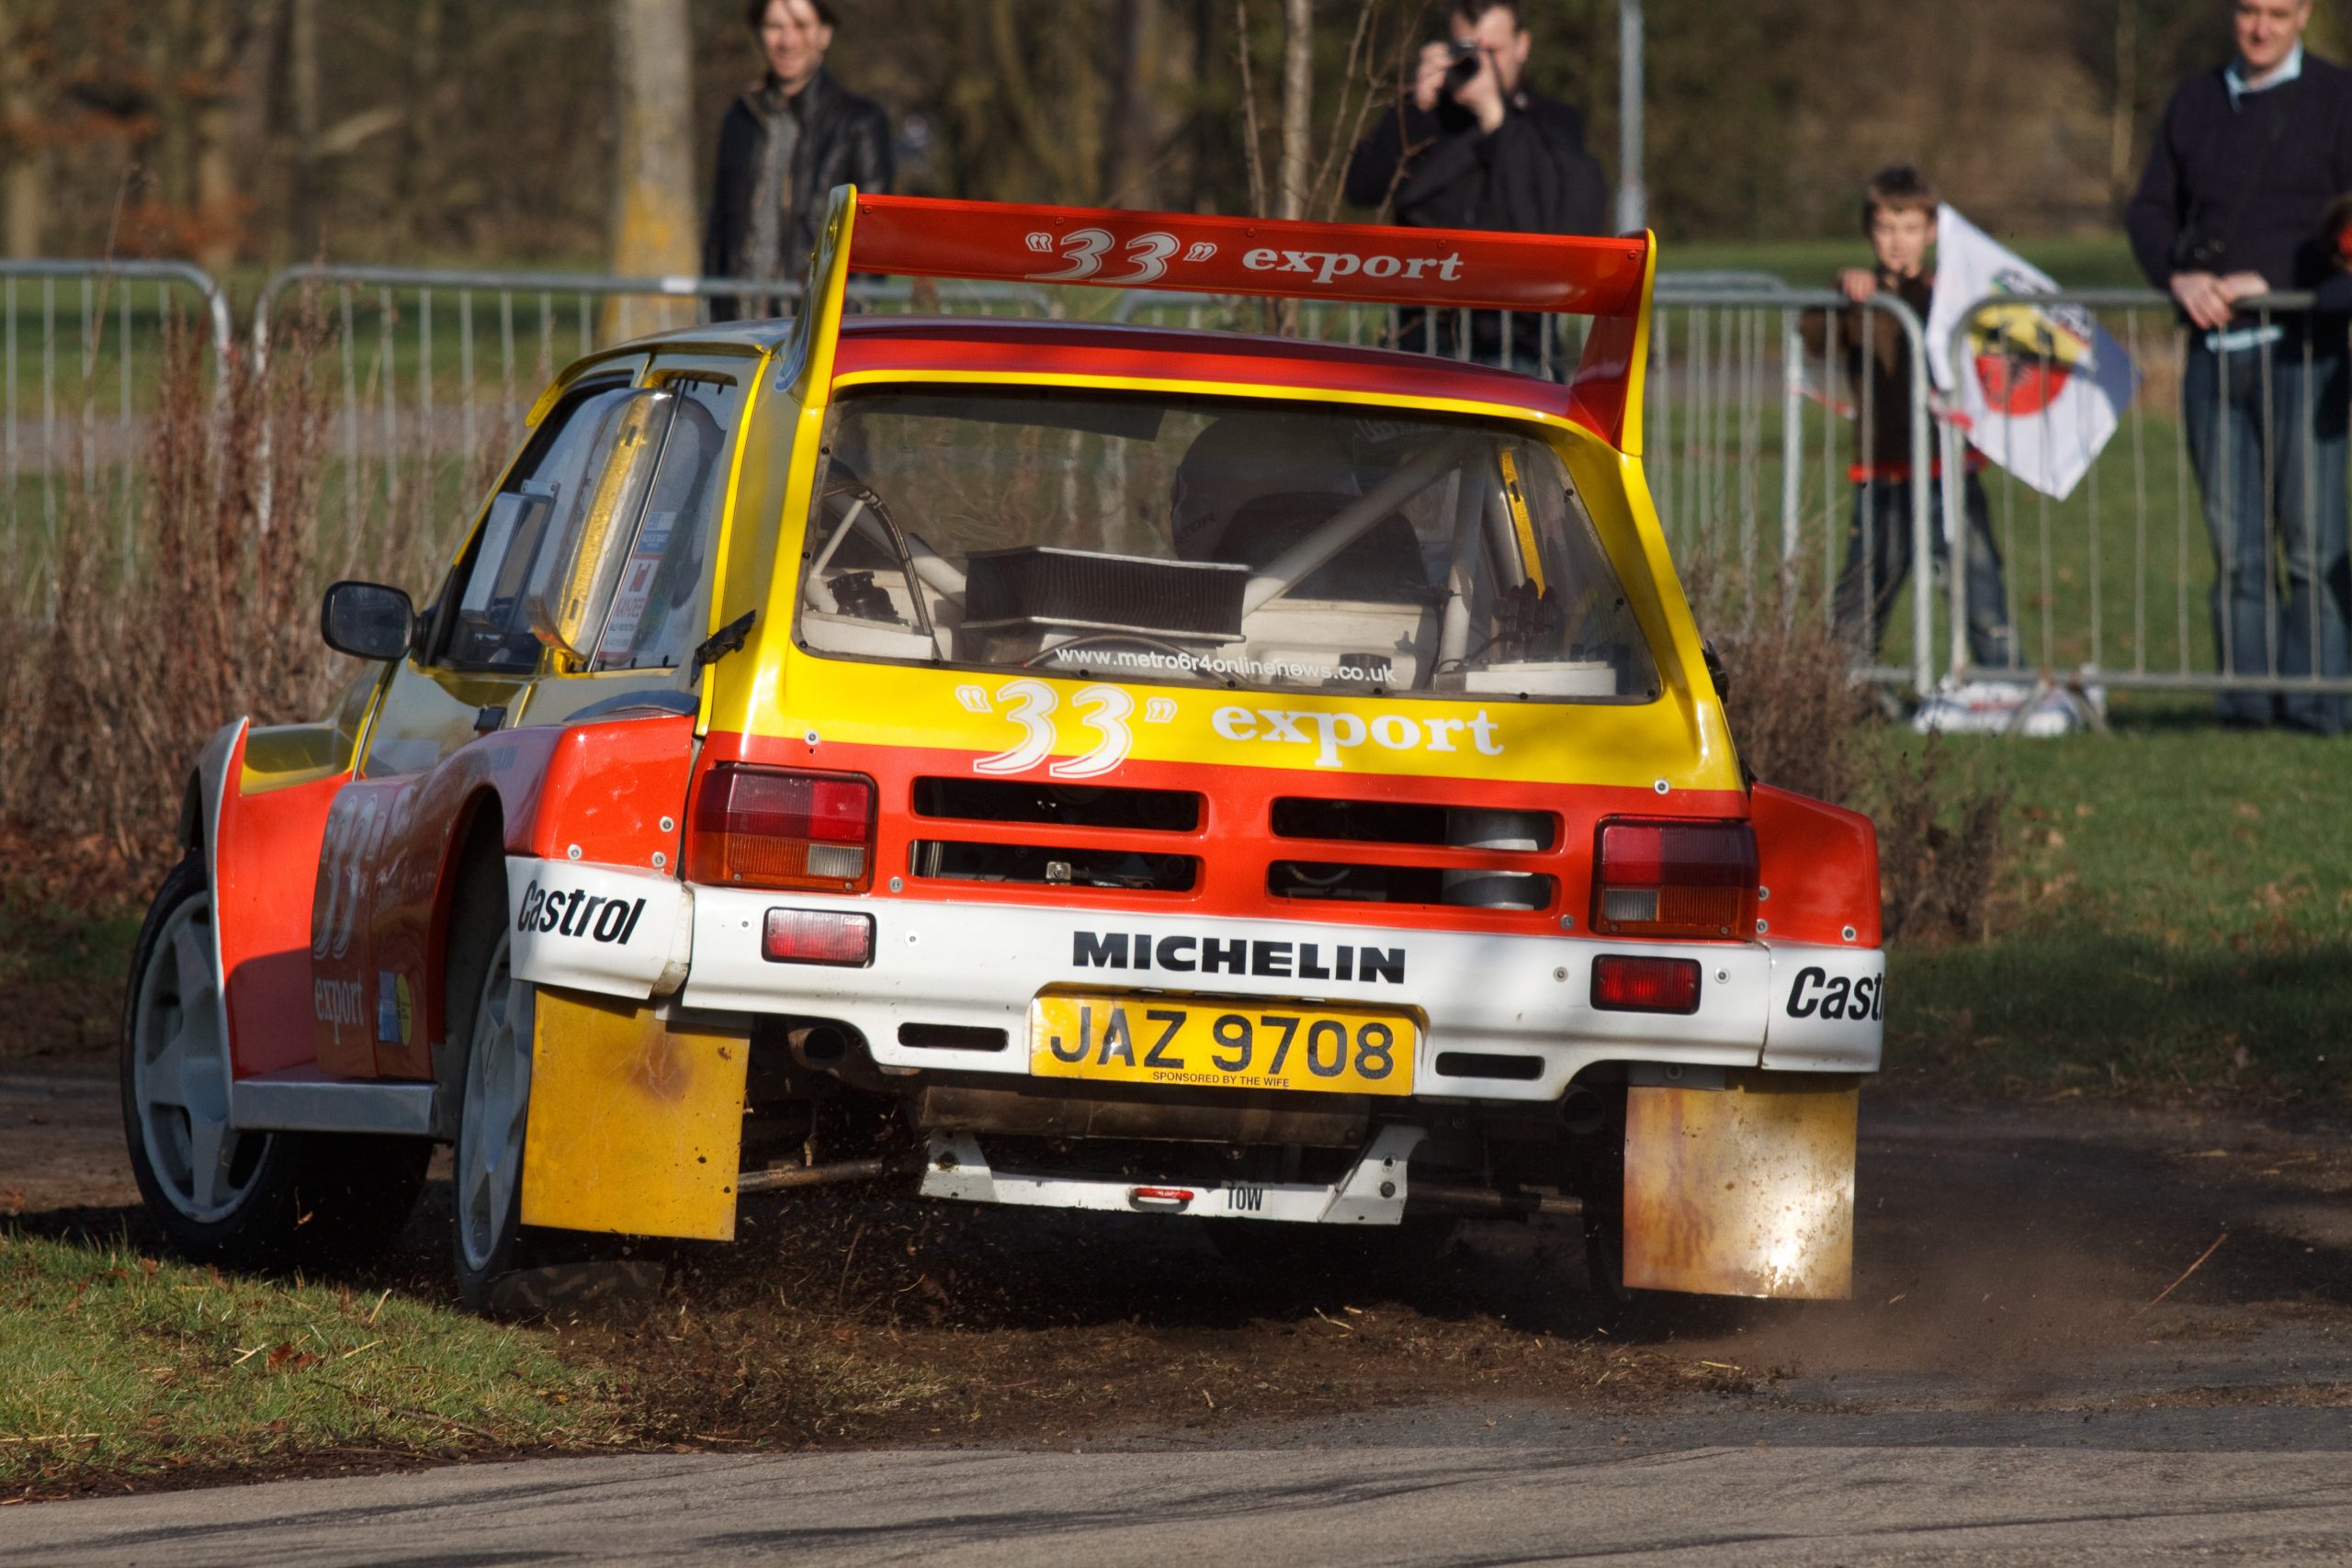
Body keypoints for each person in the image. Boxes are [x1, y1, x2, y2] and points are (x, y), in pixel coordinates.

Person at [2126, 0, 2352, 733]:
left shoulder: (2338, 99)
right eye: (2249, 11)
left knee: (2313, 546)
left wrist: (2284, 284)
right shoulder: (2194, 101)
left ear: (2305, 14)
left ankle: (2320, 704)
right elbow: (2151, 210)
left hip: (2303, 352)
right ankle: (2246, 707)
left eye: (2279, 13)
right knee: (2237, 551)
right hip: (2213, 360)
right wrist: (2177, 277)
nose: (2261, 28)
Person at [1801, 166, 2017, 671]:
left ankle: (2004, 680)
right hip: (1883, 469)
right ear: (1869, 231)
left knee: (1979, 582)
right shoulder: (1860, 299)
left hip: (1949, 470)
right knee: (1865, 588)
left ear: (1932, 231)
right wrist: (1840, 291)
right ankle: (1845, 686)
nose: (1898, 243)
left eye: (1911, 229)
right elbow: (1810, 338)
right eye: (1886, 229)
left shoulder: (1950, 296)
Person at [1342, 0, 1609, 372]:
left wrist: (1495, 120)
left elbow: (1550, 215)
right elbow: (1361, 188)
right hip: (1422, 345)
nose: (1480, 63)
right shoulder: (1428, 120)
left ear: (1523, 45)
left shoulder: (1553, 123)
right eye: (1466, 49)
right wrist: (1416, 108)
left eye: (1492, 50)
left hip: (1519, 346)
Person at [702, 0, 892, 321]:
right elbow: (718, 230)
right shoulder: (739, 118)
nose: (787, 41)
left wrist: (844, 319)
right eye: (775, 26)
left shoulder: (860, 122)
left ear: (825, 34)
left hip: (817, 328)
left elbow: (873, 238)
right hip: (739, 326)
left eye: (801, 26)